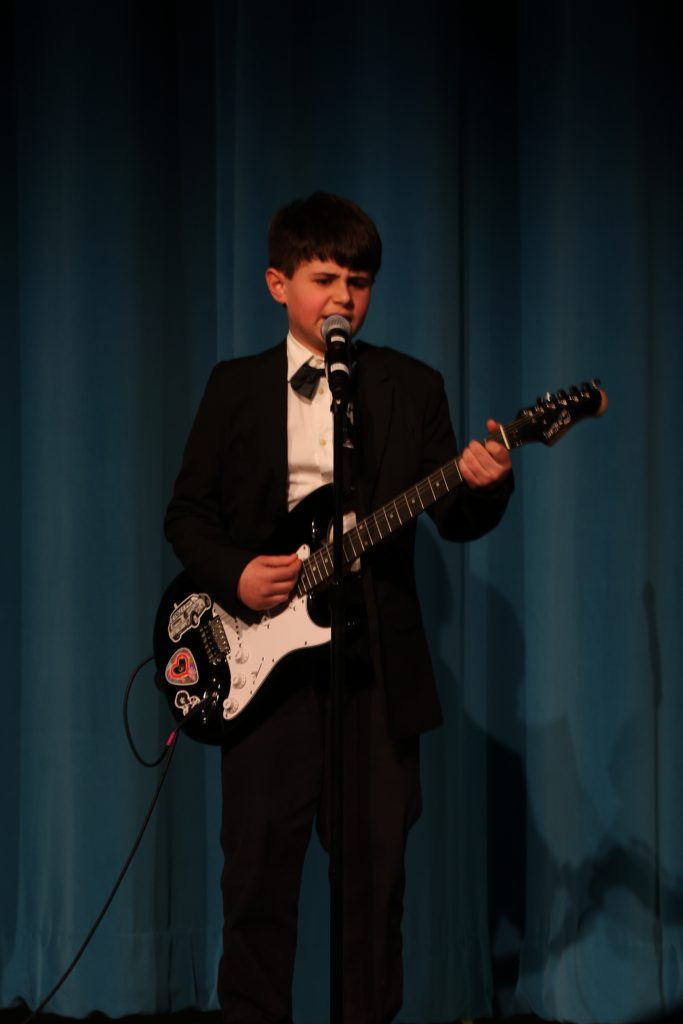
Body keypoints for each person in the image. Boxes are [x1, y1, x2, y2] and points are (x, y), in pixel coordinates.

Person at [164, 191, 513, 1024]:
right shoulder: (235, 387)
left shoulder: (410, 386)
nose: (343, 298)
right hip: (265, 684)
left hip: (375, 679)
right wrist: (240, 575)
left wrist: (485, 484)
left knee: (373, 892)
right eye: (325, 278)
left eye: (359, 281)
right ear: (277, 284)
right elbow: (186, 513)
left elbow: (453, 519)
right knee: (255, 884)